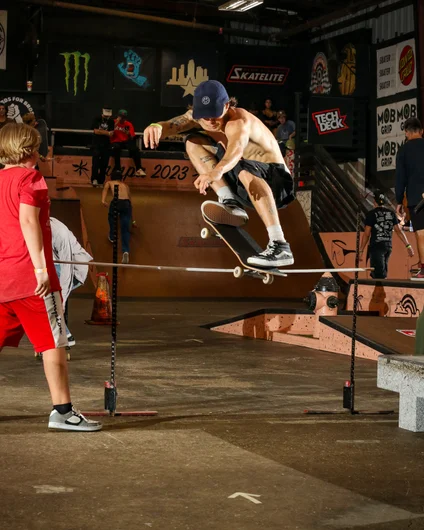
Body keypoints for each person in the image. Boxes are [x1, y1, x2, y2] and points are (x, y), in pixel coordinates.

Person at [0, 122, 101, 431]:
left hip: (3, 279)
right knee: (52, 343)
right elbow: (30, 223)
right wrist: (42, 270)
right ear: (30, 149)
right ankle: (63, 412)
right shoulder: (31, 178)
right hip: (31, 281)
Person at [143, 80, 294, 267]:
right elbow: (172, 125)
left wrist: (216, 172)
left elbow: (236, 150)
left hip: (277, 182)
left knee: (243, 168)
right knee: (193, 141)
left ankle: (280, 245)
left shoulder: (239, 120)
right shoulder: (197, 117)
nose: (211, 121)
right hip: (243, 180)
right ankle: (229, 202)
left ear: (227, 105)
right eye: (205, 117)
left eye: (215, 114)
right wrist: (156, 126)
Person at [51, 217, 93, 347]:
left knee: (47, 298)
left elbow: (67, 269)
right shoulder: (31, 228)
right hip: (54, 265)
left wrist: (60, 300)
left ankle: (66, 335)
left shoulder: (59, 232)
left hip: (75, 269)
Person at [360, 191, 414, 279]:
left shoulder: (371, 214)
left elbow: (366, 234)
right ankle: (380, 289)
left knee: (378, 276)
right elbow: (399, 231)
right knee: (382, 272)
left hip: (376, 247)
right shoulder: (391, 213)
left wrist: (361, 251)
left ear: (374, 202)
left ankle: (381, 291)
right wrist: (408, 245)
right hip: (387, 247)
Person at [395, 117, 424, 278]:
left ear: (406, 133)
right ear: (422, 131)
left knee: (421, 233)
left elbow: (400, 178)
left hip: (416, 199)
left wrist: (399, 200)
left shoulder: (404, 150)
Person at [102, 170, 132, 264]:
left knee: (111, 217)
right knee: (125, 229)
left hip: (116, 202)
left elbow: (105, 190)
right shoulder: (126, 186)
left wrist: (103, 200)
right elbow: (130, 202)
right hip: (126, 204)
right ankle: (126, 250)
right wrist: (133, 219)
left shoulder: (109, 182)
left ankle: (112, 236)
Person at [111, 109, 145, 176]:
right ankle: (117, 168)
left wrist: (128, 134)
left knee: (135, 149)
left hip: (125, 141)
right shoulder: (113, 122)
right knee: (116, 148)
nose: (122, 119)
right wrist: (116, 124)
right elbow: (109, 132)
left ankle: (139, 169)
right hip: (115, 141)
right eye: (121, 117)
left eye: (124, 117)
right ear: (118, 116)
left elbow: (132, 137)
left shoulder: (128, 124)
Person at [91, 107, 115, 188]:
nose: (107, 117)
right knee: (95, 163)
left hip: (106, 145)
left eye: (108, 116)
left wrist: (102, 132)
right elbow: (96, 131)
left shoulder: (111, 121)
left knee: (104, 164)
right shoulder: (96, 119)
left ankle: (101, 181)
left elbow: (111, 133)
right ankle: (94, 179)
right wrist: (107, 133)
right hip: (96, 144)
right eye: (105, 116)